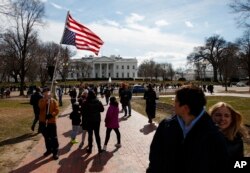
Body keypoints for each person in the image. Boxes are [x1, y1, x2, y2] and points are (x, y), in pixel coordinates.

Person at [147, 85, 229, 173]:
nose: (173, 104)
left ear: (185, 108)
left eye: (175, 101)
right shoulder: (166, 125)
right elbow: (155, 159)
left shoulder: (214, 135)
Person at [38, 87, 60, 160]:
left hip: (51, 122)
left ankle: (55, 152)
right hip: (43, 122)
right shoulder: (41, 100)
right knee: (46, 137)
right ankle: (49, 150)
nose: (47, 93)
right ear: (43, 93)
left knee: (54, 138)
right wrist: (45, 100)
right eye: (45, 92)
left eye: (48, 92)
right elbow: (40, 107)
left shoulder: (54, 101)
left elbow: (57, 110)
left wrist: (51, 115)